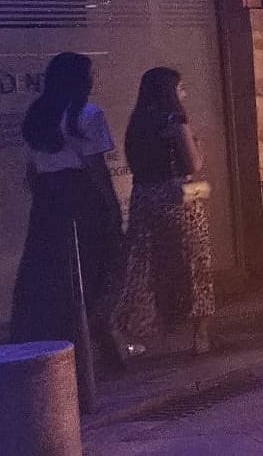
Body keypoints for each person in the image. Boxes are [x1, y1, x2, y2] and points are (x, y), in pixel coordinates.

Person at [9, 53, 125, 366]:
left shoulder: (38, 115)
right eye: (90, 74)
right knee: (92, 269)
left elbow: (32, 171)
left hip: (48, 200)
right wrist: (112, 208)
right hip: (82, 196)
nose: (93, 79)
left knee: (50, 272)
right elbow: (96, 168)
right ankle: (96, 343)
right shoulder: (87, 114)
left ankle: (54, 344)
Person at [109, 67, 215, 357]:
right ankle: (200, 335)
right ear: (171, 91)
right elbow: (193, 164)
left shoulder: (138, 123)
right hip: (179, 200)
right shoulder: (176, 120)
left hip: (145, 198)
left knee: (143, 266)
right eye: (181, 88)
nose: (185, 93)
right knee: (194, 265)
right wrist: (198, 144)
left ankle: (126, 333)